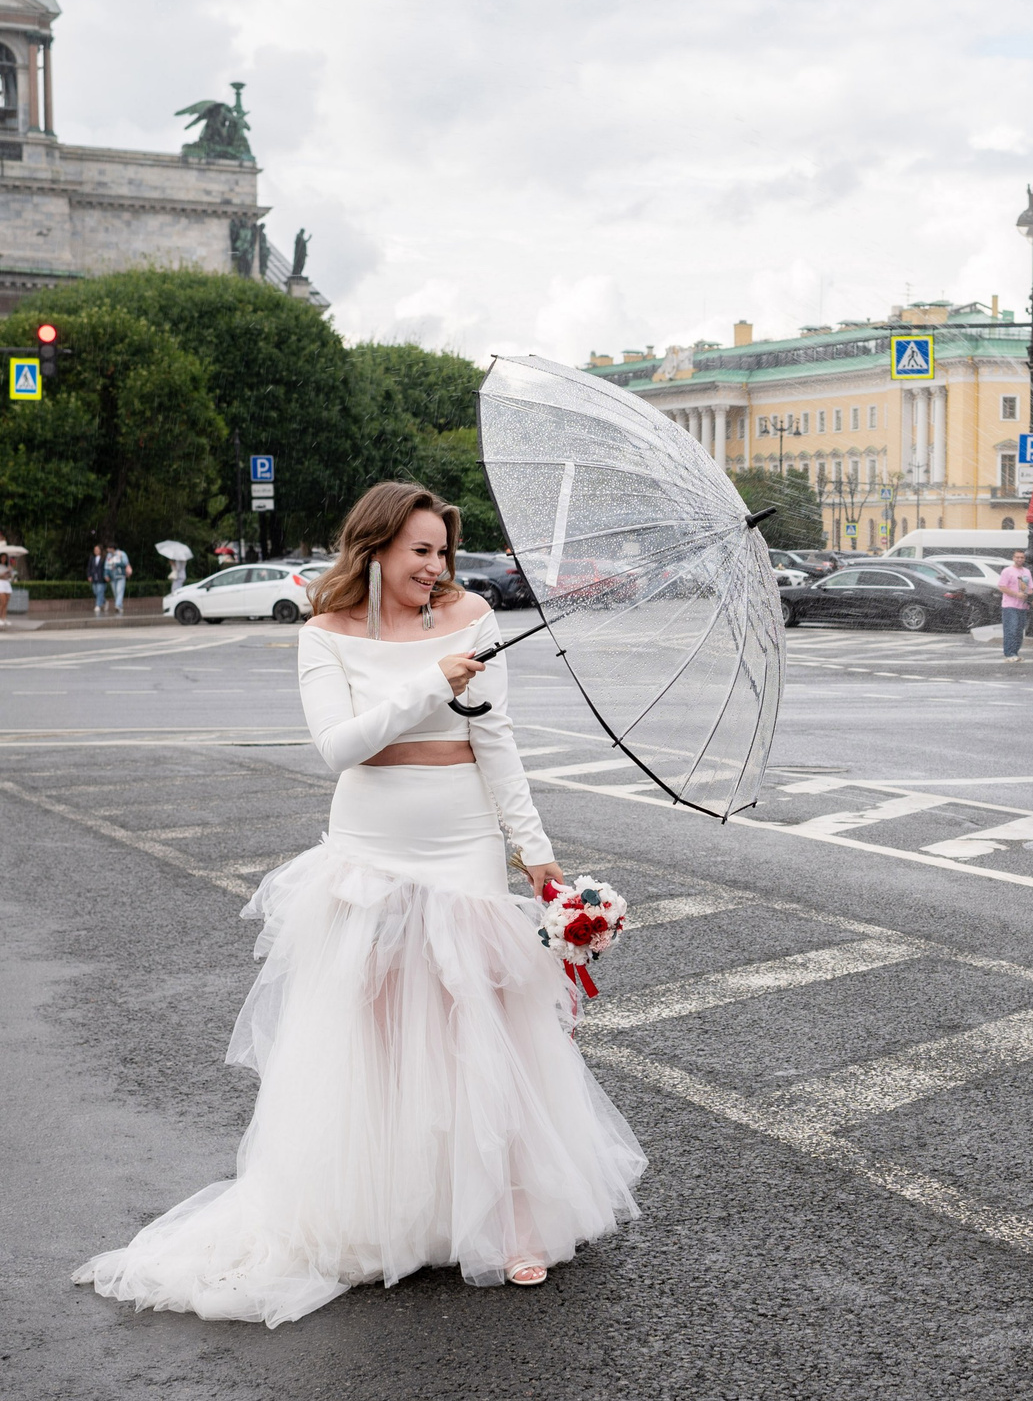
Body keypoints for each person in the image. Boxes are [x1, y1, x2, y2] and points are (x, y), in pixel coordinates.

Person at [75, 481, 645, 1326]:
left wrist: (537, 858)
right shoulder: (322, 634)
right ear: (373, 547)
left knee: (486, 1030)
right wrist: (428, 686)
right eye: (420, 551)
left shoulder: (475, 618)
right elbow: (339, 746)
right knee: (377, 1034)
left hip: (464, 854)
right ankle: (384, 1218)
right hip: (369, 854)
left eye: (444, 551)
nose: (436, 566)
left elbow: (498, 744)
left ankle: (513, 1222)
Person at [995, 548, 1033, 664]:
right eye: (1017, 557)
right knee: (1011, 629)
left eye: (1022, 557)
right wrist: (1016, 594)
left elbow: (1030, 588)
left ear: (1024, 559)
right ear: (1013, 558)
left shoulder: (1026, 572)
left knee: (1019, 631)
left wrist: (1030, 595)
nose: (1019, 559)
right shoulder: (1007, 571)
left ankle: (1015, 652)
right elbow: (1002, 586)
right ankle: (1009, 653)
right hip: (1010, 605)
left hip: (1023, 606)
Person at [105, 543, 132, 615]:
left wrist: (117, 563)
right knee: (115, 592)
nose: (107, 549)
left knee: (119, 591)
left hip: (120, 576)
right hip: (112, 577)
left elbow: (125, 563)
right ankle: (120, 606)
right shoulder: (109, 555)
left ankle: (117, 605)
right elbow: (106, 566)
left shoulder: (121, 553)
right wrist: (106, 574)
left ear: (112, 548)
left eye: (108, 548)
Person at [87, 543, 108, 614]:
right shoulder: (92, 558)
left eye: (97, 549)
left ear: (100, 550)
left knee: (100, 591)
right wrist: (89, 575)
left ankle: (98, 605)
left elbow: (107, 568)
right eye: (94, 549)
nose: (95, 551)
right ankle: (104, 601)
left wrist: (106, 575)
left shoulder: (104, 558)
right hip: (94, 578)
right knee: (95, 592)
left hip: (101, 578)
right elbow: (89, 568)